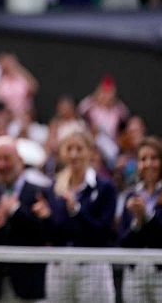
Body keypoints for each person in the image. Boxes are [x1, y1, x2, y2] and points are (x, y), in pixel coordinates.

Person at [0, 135, 54, 302]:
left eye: (6, 158)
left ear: (20, 160)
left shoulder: (40, 193)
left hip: (29, 286)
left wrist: (15, 210)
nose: (1, 165)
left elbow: (49, 234)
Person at [47, 127, 117, 303]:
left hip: (93, 267)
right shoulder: (54, 187)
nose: (74, 154)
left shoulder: (105, 187)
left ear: (90, 152)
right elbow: (54, 233)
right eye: (69, 149)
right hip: (60, 269)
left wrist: (76, 209)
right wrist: (45, 217)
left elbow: (104, 231)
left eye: (79, 149)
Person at [118, 137, 162, 302]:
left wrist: (148, 217)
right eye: (143, 159)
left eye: (154, 158)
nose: (148, 163)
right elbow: (123, 242)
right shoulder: (130, 196)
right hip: (136, 275)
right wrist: (137, 223)